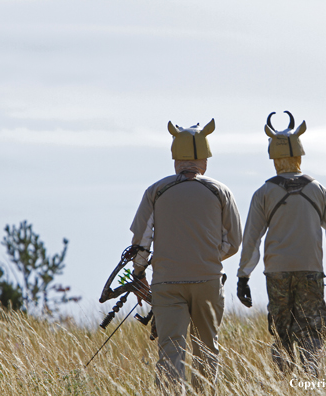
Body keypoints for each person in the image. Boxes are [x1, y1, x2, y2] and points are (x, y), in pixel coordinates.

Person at [236, 111, 326, 377]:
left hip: (276, 273)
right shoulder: (317, 189)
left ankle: (284, 383)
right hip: (311, 271)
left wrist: (243, 276)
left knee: (281, 333)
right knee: (312, 332)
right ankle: (311, 381)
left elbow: (252, 239)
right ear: (300, 154)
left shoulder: (263, 193)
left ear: (273, 157)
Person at [130, 119, 242, 392]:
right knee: (207, 349)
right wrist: (207, 258)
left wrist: (139, 274)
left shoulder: (156, 191)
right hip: (208, 280)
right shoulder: (220, 191)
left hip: (166, 283)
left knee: (170, 352)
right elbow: (234, 241)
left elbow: (141, 242)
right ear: (204, 158)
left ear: (175, 158)